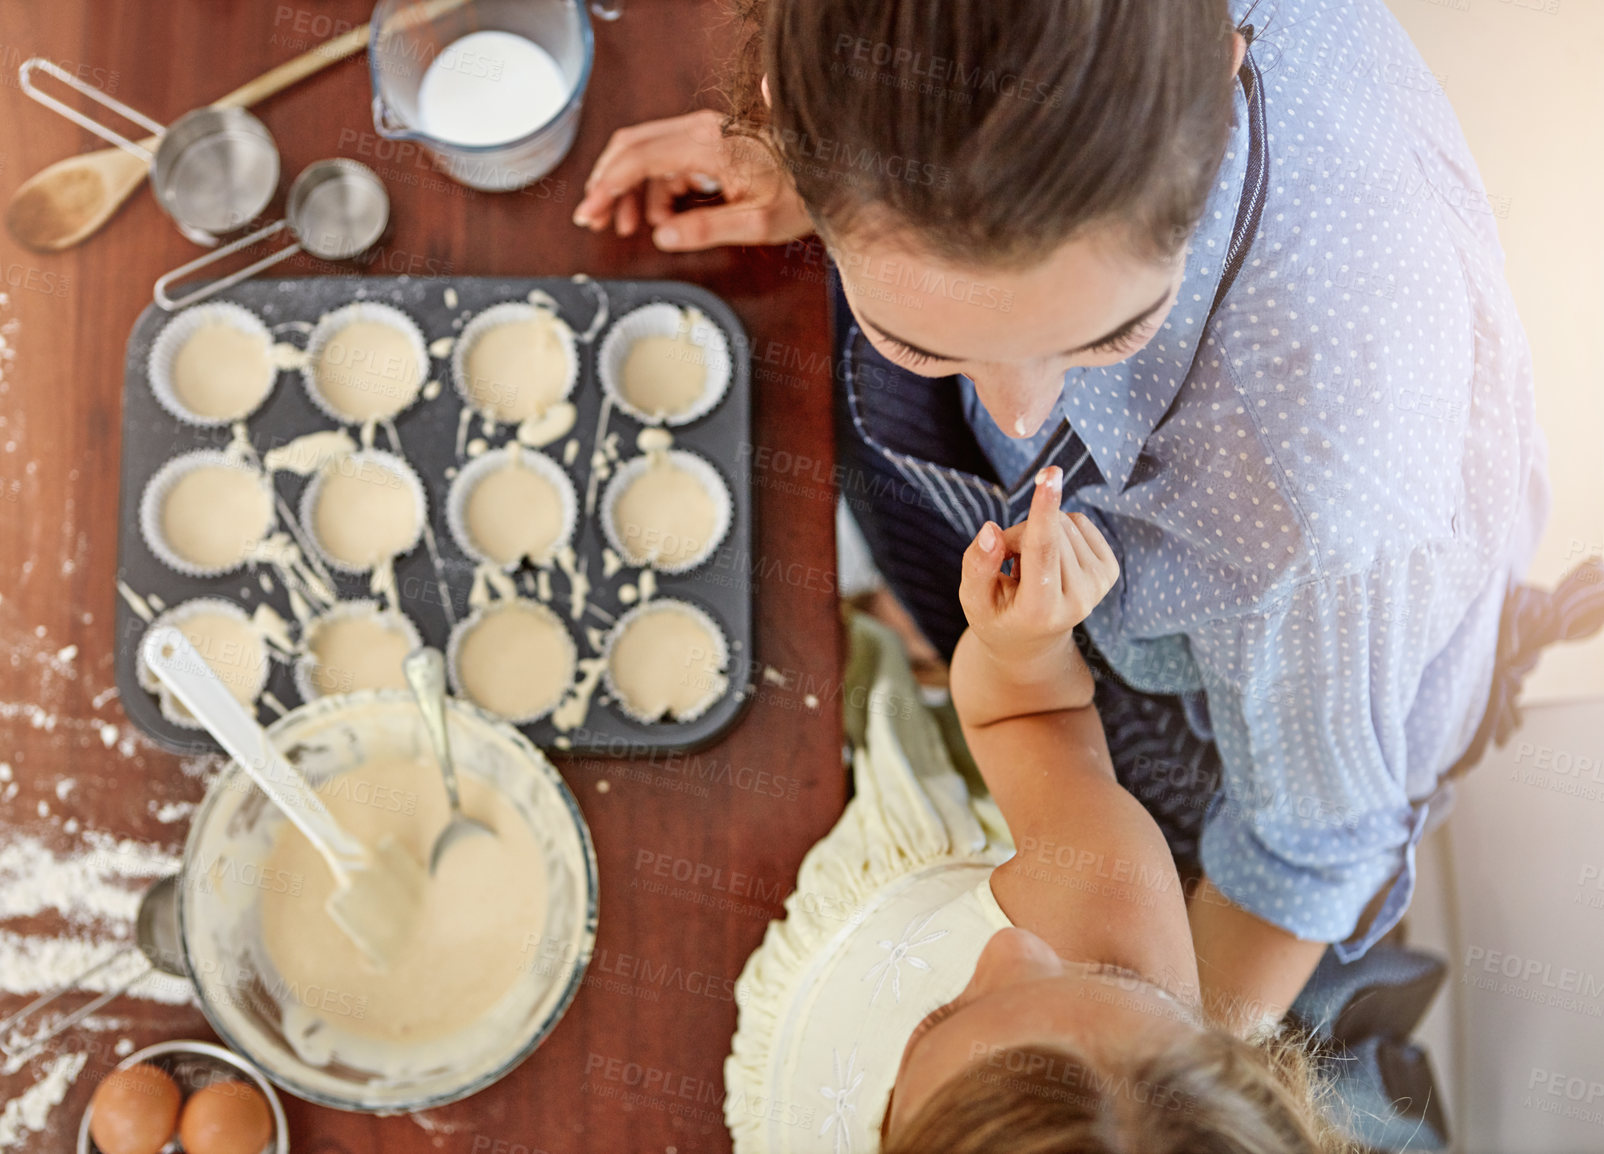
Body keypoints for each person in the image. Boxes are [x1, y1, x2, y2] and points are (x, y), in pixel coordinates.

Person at [574, 0, 1581, 1045]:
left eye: (1109, 333)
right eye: (921, 339)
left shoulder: (1318, 507)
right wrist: (838, 165)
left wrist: (1152, 1077)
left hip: (1261, 720)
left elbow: (1311, 850)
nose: (1020, 413)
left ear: (1216, 104)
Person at [723, 471, 1351, 1151]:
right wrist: (1020, 649)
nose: (1013, 945)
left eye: (942, 1019)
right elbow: (1030, 712)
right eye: (1103, 978)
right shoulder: (1111, 900)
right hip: (845, 853)